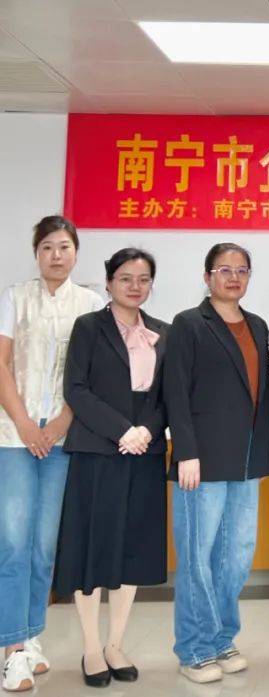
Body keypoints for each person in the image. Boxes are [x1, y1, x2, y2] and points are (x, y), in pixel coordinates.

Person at [53, 248, 167, 688]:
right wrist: (124, 431)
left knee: (130, 550)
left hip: (144, 454)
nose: (135, 286)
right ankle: (90, 647)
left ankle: (116, 644)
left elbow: (167, 395)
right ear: (108, 282)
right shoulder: (89, 327)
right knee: (93, 548)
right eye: (125, 278)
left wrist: (146, 432)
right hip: (98, 451)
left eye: (143, 279)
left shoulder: (163, 332)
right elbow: (76, 390)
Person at [0, 216, 103, 693]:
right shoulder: (14, 297)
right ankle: (12, 650)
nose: (56, 255)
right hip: (13, 436)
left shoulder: (91, 304)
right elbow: (1, 364)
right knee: (13, 545)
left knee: (44, 548)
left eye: (64, 247)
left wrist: (62, 421)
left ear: (76, 252)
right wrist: (24, 423)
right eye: (47, 247)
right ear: (36, 253)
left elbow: (94, 374)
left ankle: (31, 638)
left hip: (64, 438)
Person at [165, 243, 269, 684]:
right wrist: (185, 451)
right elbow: (175, 391)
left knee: (236, 557)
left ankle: (222, 638)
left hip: (246, 462)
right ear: (207, 276)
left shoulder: (259, 326)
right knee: (198, 558)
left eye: (241, 270)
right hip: (202, 462)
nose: (233, 277)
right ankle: (194, 648)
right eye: (224, 270)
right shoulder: (189, 324)